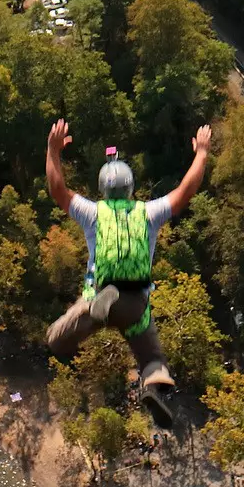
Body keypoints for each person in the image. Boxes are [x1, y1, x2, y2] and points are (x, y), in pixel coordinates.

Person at [43, 118, 213, 427]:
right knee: (153, 361)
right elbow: (186, 191)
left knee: (55, 339)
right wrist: (201, 152)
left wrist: (53, 150)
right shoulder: (149, 213)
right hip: (136, 306)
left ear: (103, 189)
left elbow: (58, 189)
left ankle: (102, 302)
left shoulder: (92, 213)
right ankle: (152, 385)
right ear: (131, 188)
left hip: (99, 301)